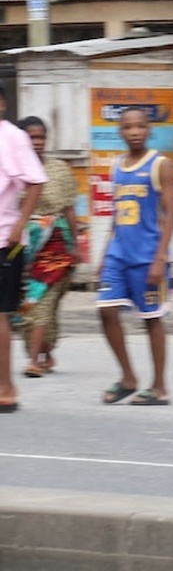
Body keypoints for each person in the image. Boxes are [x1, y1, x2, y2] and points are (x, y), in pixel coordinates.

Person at [97, 106, 173, 406]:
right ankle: (128, 377)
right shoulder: (116, 166)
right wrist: (105, 254)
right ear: (120, 132)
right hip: (119, 254)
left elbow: (170, 215)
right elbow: (116, 216)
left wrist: (160, 258)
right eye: (128, 127)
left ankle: (159, 386)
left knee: (151, 319)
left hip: (147, 256)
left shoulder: (160, 165)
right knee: (105, 310)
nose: (134, 132)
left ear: (149, 130)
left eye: (140, 126)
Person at [16, 116, 79, 378]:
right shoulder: (11, 169)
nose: (38, 142)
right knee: (24, 306)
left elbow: (69, 210)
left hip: (56, 248)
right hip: (21, 247)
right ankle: (46, 351)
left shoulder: (59, 170)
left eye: (41, 137)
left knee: (42, 302)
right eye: (32, 137)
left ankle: (33, 361)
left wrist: (76, 245)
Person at [0, 84, 46, 413]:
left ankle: (7, 386)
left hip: (5, 240)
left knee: (0, 316)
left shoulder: (12, 136)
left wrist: (20, 223)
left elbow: (36, 180)